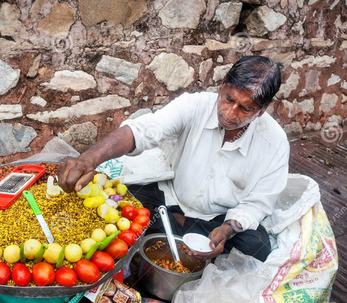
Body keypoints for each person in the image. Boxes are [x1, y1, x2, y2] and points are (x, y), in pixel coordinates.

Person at [57, 56, 289, 262]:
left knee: (256, 248)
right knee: (120, 208)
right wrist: (89, 158)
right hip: (169, 201)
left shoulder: (274, 143)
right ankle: (171, 234)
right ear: (222, 84)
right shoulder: (194, 105)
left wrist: (227, 229)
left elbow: (258, 204)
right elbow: (143, 130)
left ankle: (174, 239)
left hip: (217, 221)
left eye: (245, 109)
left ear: (263, 109)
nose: (230, 113)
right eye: (228, 99)